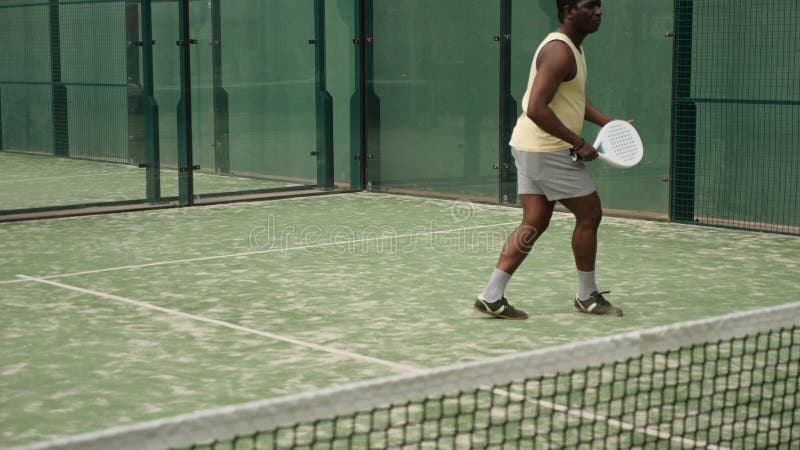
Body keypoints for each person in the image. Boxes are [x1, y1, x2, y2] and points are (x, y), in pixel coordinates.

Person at [474, 0, 623, 320]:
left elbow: (573, 100)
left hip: (529, 145)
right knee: (590, 214)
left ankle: (491, 295)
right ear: (568, 10)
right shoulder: (560, 52)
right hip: (546, 149)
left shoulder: (572, 49)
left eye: (599, 5)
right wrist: (578, 142)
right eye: (589, 6)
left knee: (535, 219)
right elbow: (537, 107)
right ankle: (587, 296)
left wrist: (607, 123)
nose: (598, 12)